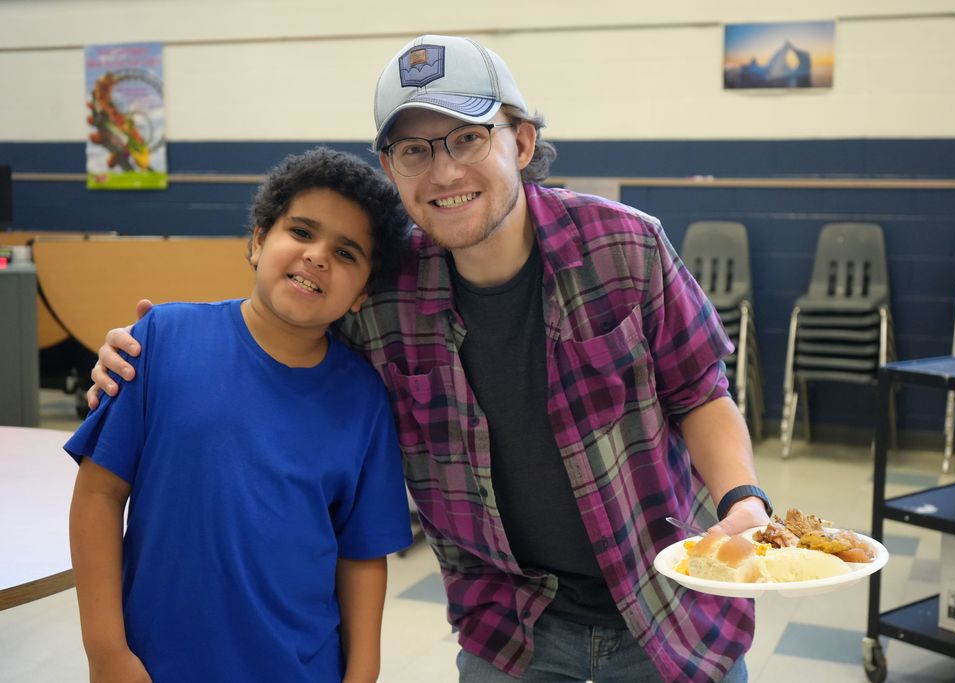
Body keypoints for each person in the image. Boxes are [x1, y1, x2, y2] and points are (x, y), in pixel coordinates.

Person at [89, 35, 772, 683]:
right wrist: (157, 341)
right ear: (390, 168)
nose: (444, 170)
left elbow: (699, 390)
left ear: (522, 141)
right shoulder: (382, 293)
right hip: (513, 625)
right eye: (414, 149)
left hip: (666, 605)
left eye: (468, 137)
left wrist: (741, 499)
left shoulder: (627, 247)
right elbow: (284, 320)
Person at [68, 147, 413, 683]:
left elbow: (361, 555)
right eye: (301, 231)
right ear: (257, 240)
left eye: (346, 254)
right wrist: (107, 652)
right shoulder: (161, 339)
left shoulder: (365, 398)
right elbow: (98, 495)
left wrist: (361, 674)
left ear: (360, 296)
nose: (318, 256)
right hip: (156, 667)